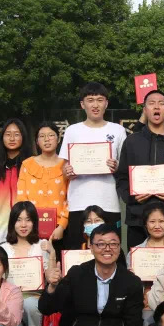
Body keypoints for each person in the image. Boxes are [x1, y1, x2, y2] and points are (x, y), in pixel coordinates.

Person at [31, 224, 143, 326]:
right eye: (101, 244)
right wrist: (52, 286)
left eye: (113, 244)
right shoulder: (77, 273)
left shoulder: (131, 281)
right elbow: (46, 308)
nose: (107, 249)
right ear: (91, 247)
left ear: (119, 248)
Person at [116, 89, 164, 247]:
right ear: (145, 110)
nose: (156, 107)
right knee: (138, 260)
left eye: (161, 103)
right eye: (151, 103)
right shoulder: (132, 141)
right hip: (138, 218)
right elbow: (122, 177)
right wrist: (132, 197)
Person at [59, 82, 127, 249]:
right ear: (82, 104)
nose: (95, 105)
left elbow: (125, 167)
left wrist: (116, 166)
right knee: (77, 252)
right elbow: (64, 167)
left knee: (109, 249)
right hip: (78, 202)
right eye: (90, 100)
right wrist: (67, 171)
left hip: (108, 201)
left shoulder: (118, 130)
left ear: (106, 103)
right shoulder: (72, 130)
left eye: (99, 100)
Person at [2, 201, 56, 326]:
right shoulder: (4, 249)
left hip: (35, 296)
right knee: (12, 305)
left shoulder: (41, 245)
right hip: (10, 297)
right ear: (12, 223)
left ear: (34, 222)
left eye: (28, 220)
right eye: (19, 220)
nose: (23, 225)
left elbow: (51, 277)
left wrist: (52, 253)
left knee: (30, 304)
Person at [15, 121, 69, 250]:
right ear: (37, 141)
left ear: (58, 139)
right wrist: (27, 223)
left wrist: (62, 226)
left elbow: (70, 198)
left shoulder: (66, 165)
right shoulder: (27, 164)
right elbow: (22, 198)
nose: (47, 139)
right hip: (31, 228)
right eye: (42, 136)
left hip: (60, 230)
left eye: (51, 135)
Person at [0, 118, 32, 244]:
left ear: (23, 137)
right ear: (2, 137)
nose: (12, 138)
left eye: (16, 134)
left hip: (25, 227)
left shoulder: (31, 164)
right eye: (8, 134)